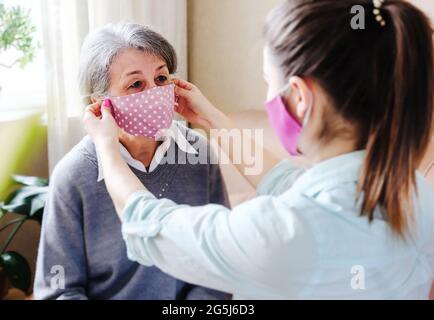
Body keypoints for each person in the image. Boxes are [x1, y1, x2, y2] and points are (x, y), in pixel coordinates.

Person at [84, 0, 434, 299]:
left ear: (299, 97)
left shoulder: (286, 231)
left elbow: (152, 225)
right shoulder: (415, 193)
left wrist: (106, 149)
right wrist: (211, 118)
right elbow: (287, 182)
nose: (267, 100)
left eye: (270, 84)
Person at [34, 23, 229, 300]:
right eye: (136, 84)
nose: (154, 92)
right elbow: (59, 291)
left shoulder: (198, 150)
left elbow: (218, 262)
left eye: (161, 79)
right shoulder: (74, 174)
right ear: (100, 102)